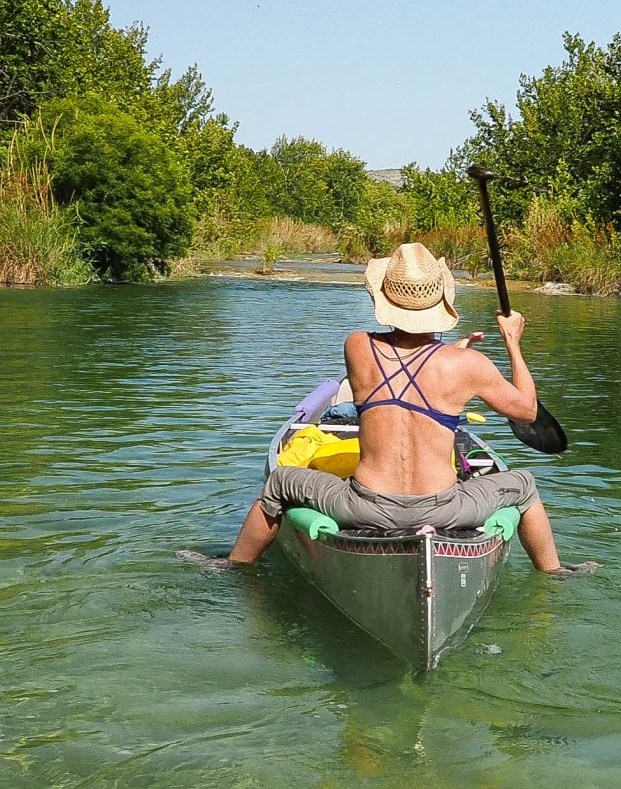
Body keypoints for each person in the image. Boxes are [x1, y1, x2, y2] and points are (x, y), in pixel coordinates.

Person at [224, 241, 574, 573]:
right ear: (441, 301)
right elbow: (527, 411)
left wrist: (457, 351)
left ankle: (234, 567)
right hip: (444, 509)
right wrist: (512, 342)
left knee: (281, 482)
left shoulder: (357, 347)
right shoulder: (467, 366)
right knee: (524, 484)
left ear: (383, 298)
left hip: (364, 505)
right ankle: (555, 573)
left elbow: (405, 372)